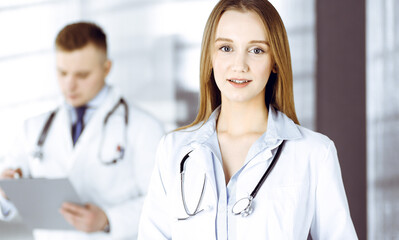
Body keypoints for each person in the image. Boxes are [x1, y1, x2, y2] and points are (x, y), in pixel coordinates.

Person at [138, 0, 358, 239]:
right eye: (226, 48)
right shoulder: (173, 151)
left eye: (256, 50)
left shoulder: (314, 153)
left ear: (274, 61)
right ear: (210, 57)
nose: (239, 65)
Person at [0, 22, 164, 239]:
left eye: (82, 75)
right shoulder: (33, 128)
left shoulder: (143, 128)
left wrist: (108, 220)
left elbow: (163, 206)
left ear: (106, 68)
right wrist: (5, 193)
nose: (69, 85)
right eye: (62, 73)